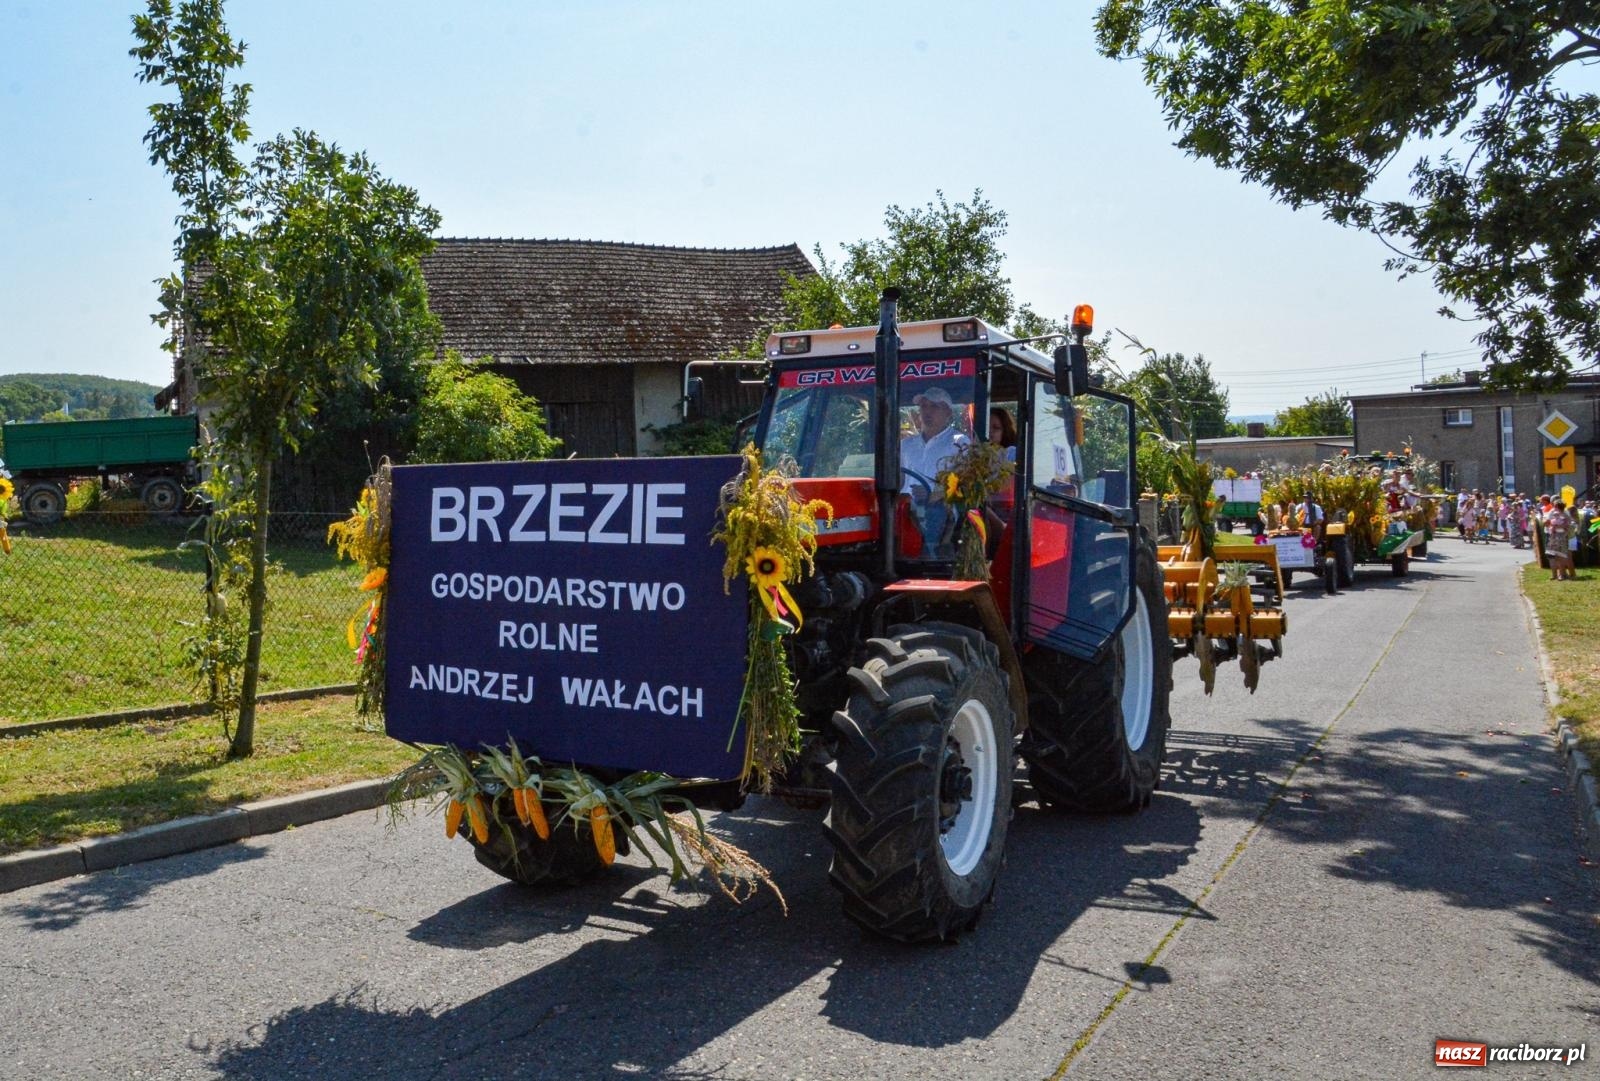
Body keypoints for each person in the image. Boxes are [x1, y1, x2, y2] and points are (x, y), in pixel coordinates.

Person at [1543, 500, 1576, 581]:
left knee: (1561, 556)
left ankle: (1562, 574)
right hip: (1554, 536)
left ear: (1557, 506)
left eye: (1554, 506)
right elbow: (1546, 523)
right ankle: (1559, 574)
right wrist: (1551, 524)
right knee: (1556, 556)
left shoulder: (1565, 515)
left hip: (1562, 537)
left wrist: (1557, 526)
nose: (1554, 507)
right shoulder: (1554, 514)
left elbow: (1568, 526)